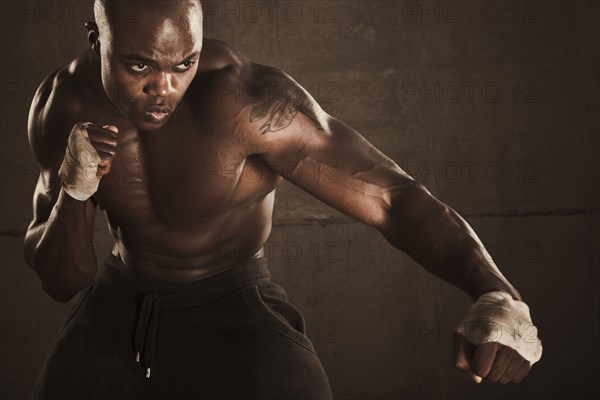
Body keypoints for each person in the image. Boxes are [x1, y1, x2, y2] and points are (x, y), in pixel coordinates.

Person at [24, 0, 542, 399]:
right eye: (139, 68)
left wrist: (496, 294)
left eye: (184, 62)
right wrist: (76, 189)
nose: (165, 89)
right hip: (117, 306)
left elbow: (390, 197)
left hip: (235, 307)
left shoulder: (247, 102)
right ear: (97, 37)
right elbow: (59, 280)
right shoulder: (63, 105)